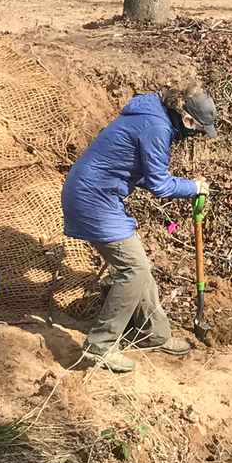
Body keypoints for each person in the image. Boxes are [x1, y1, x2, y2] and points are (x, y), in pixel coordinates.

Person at [62, 84, 217, 372]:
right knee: (134, 268)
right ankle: (100, 345)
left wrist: (185, 187)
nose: (195, 134)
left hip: (98, 193)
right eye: (197, 128)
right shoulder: (156, 127)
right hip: (92, 198)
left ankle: (153, 334)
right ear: (186, 120)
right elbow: (158, 184)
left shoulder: (152, 114)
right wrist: (192, 187)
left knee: (139, 265)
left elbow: (141, 174)